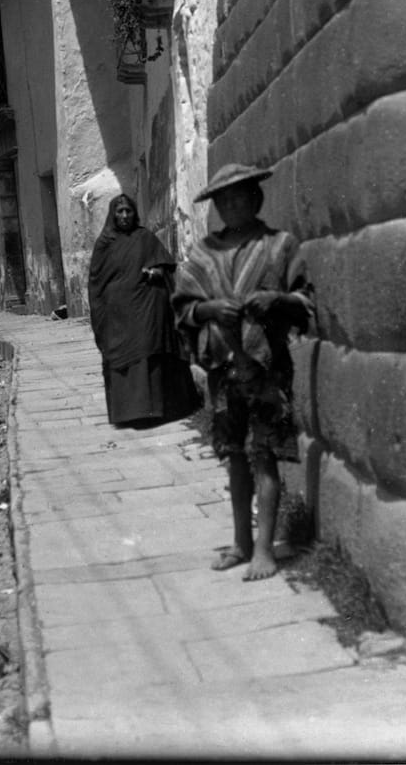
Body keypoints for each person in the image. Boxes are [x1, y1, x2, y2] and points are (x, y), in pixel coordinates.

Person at [171, 162, 312, 582]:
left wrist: (277, 300)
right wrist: (209, 309)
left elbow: (306, 300)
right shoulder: (203, 254)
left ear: (256, 197)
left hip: (268, 368)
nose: (233, 204)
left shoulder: (280, 245)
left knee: (265, 455)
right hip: (224, 371)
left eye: (241, 195)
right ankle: (240, 542)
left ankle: (266, 549)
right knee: (235, 456)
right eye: (224, 199)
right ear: (216, 206)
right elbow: (183, 308)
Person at [88, 193, 198, 428]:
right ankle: (129, 412)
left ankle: (155, 409)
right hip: (118, 315)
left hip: (146, 309)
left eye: (128, 211)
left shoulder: (145, 237)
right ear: (113, 214)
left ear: (134, 213)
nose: (125, 215)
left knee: (150, 351)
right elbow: (96, 282)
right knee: (122, 357)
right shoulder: (105, 243)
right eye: (120, 211)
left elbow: (166, 266)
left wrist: (157, 273)